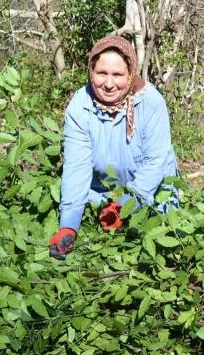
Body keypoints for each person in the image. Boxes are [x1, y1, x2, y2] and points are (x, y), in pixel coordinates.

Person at [48, 36, 179, 260]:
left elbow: (156, 163)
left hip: (153, 193)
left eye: (117, 75)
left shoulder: (151, 102)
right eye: (102, 73)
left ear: (130, 75)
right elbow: (77, 168)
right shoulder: (80, 105)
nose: (109, 84)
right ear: (91, 72)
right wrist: (68, 226)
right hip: (103, 194)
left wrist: (124, 207)